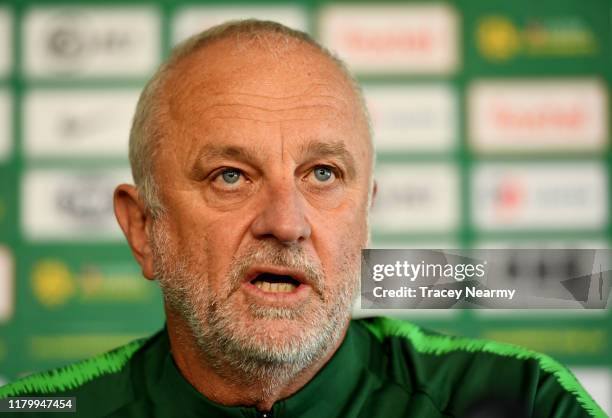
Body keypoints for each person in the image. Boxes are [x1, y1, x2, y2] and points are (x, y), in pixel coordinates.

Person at [0, 20, 605, 418]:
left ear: (364, 218)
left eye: (322, 174)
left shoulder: (524, 402)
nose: (286, 223)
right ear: (143, 228)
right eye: (230, 176)